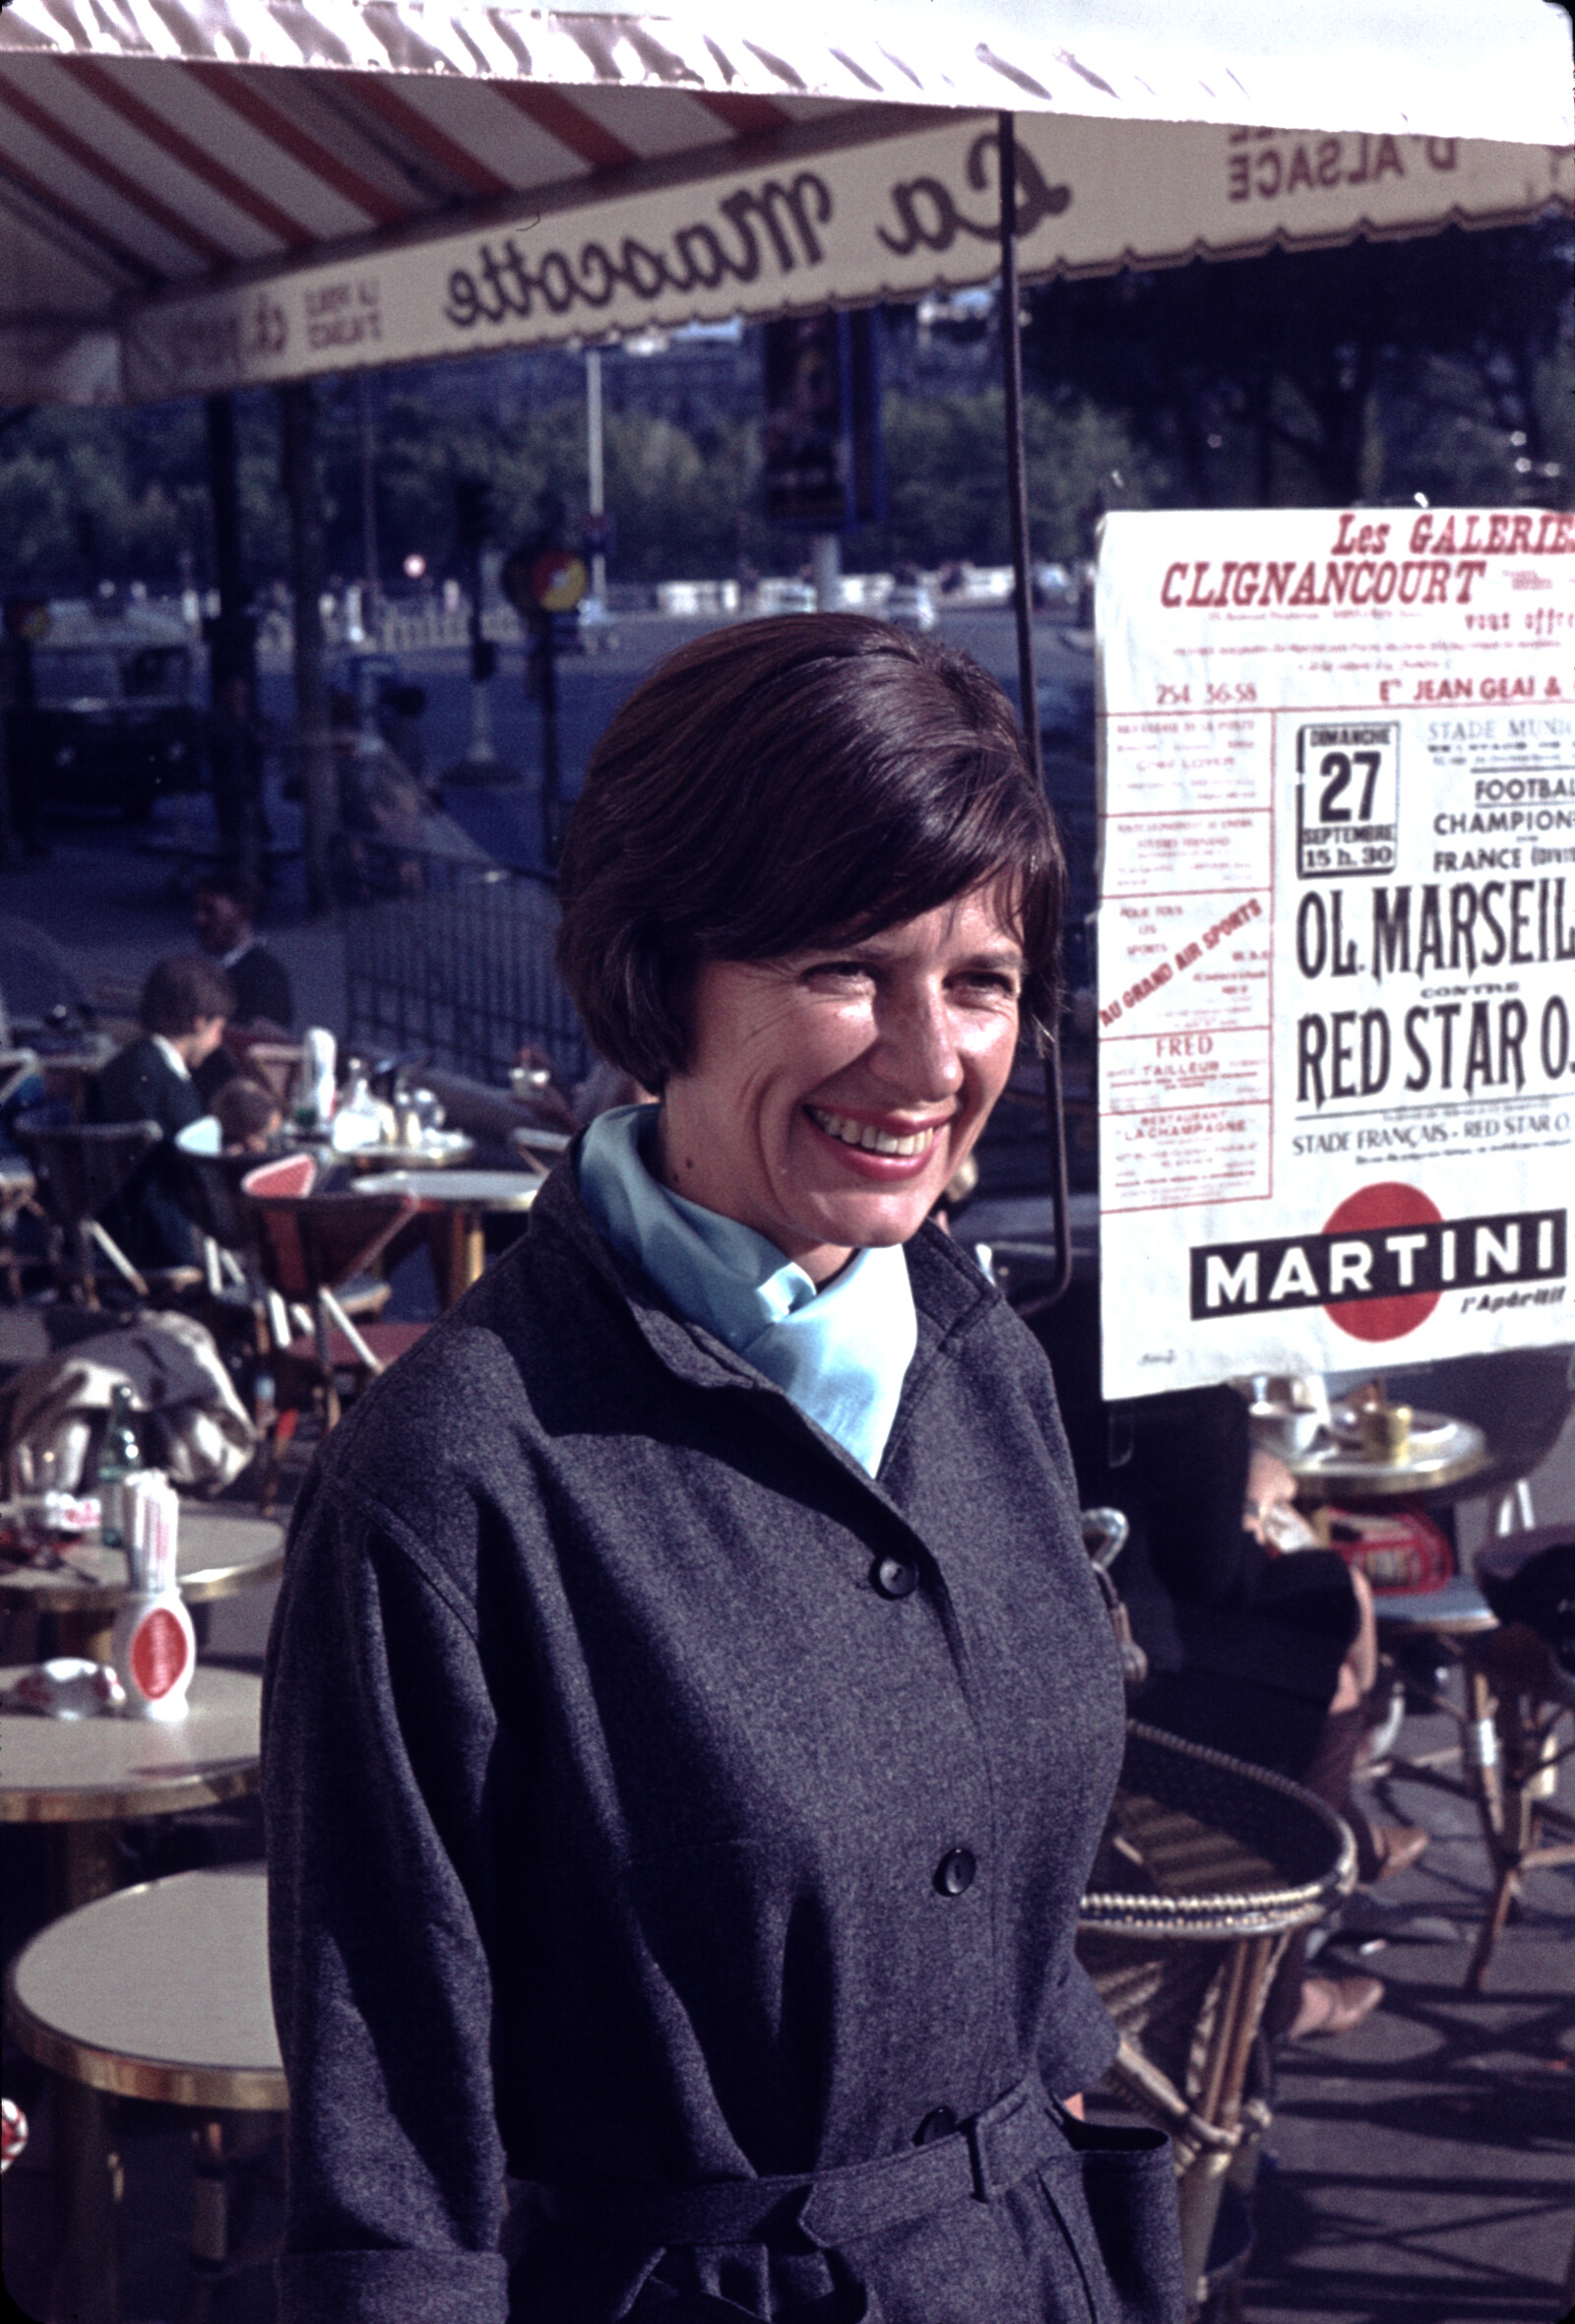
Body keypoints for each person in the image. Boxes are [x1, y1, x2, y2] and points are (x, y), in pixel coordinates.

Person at [262, 617, 1184, 2324]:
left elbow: (1022, 1903)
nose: (929, 1063)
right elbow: (389, 2187)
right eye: (847, 969)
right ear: (654, 971)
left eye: (980, 980)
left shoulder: (986, 1365)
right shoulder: (453, 1483)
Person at [91, 955, 232, 1268]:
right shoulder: (168, 1083)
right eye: (219, 1027)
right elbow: (202, 1170)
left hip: (104, 1227)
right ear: (199, 1021)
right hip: (160, 1237)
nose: (219, 1040)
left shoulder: (119, 1067)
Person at [192, 873, 293, 1103]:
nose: (199, 919)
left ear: (244, 913)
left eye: (210, 910)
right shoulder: (217, 967)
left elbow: (259, 1053)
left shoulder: (264, 977)